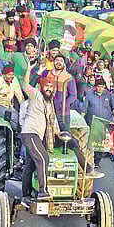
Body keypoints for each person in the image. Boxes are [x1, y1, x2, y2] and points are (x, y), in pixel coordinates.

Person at [21, 61, 103, 202]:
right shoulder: (36, 96)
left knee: (71, 142)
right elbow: (25, 85)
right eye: (46, 86)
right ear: (41, 87)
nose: (49, 89)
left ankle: (88, 169)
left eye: (51, 87)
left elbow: (53, 122)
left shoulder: (50, 102)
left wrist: (60, 133)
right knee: (42, 158)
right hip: (30, 134)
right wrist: (33, 70)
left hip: (43, 136)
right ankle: (42, 191)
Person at [81, 78, 114, 168]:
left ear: (104, 87)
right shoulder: (90, 96)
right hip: (92, 123)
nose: (100, 88)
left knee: (101, 144)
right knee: (91, 142)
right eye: (98, 86)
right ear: (95, 87)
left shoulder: (109, 95)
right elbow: (84, 109)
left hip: (104, 124)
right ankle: (90, 161)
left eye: (102, 86)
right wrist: (81, 121)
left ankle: (97, 162)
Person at [41, 54, 77, 131]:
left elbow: (73, 95)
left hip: (63, 111)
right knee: (48, 132)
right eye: (57, 60)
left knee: (64, 133)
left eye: (61, 61)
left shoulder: (68, 77)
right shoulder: (46, 74)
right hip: (48, 109)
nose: (59, 62)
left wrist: (65, 104)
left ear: (64, 63)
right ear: (53, 62)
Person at [0, 65, 24, 131]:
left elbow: (20, 96)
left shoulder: (15, 80)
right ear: (4, 74)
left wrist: (24, 110)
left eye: (12, 74)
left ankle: (17, 133)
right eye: (9, 74)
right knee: (13, 117)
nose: (11, 77)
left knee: (20, 117)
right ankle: (18, 134)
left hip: (8, 105)